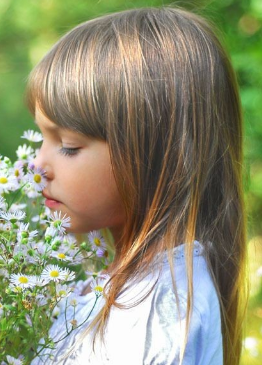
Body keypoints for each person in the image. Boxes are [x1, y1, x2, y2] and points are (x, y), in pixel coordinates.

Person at [27, 5, 247, 365]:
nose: (37, 166)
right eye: (42, 138)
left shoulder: (159, 311)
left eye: (68, 145)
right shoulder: (139, 287)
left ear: (153, 154)